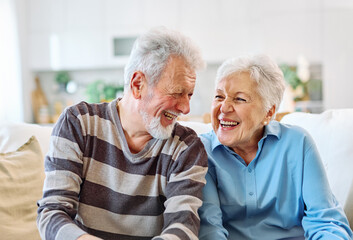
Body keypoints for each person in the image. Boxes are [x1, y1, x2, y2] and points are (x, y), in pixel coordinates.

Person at [37, 27, 208, 240]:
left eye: (189, 95)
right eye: (177, 93)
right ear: (138, 85)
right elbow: (52, 212)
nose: (185, 108)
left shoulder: (186, 147)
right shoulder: (78, 123)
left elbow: (183, 227)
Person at [198, 54, 353, 239]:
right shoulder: (200, 151)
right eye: (219, 96)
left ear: (268, 112)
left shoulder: (298, 144)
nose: (224, 108)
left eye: (239, 99)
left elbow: (326, 222)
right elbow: (209, 230)